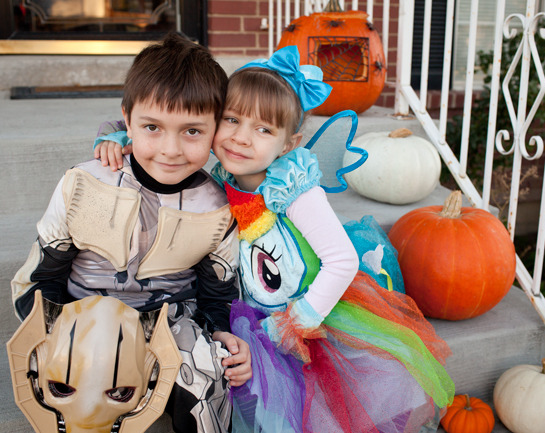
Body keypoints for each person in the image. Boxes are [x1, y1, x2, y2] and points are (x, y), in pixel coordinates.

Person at [97, 44, 455, 433]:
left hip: (307, 316)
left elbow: (341, 261)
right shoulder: (222, 177)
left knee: (304, 410)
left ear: (288, 144)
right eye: (232, 120)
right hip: (254, 312)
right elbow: (161, 125)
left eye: (263, 129)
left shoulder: (293, 188)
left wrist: (293, 325)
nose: (241, 138)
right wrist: (118, 138)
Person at [11, 32, 251, 433]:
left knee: (209, 374)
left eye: (192, 131)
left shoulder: (217, 207)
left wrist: (222, 333)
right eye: (152, 127)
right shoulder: (85, 184)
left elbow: (217, 293)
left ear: (215, 130)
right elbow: (44, 274)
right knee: (78, 378)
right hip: (84, 316)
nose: (170, 149)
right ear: (127, 120)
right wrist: (54, 330)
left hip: (168, 321)